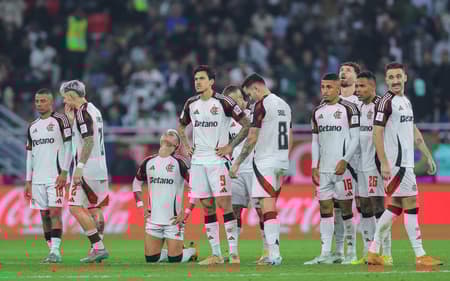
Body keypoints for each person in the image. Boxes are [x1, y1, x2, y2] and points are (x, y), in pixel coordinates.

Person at [368, 62, 443, 266]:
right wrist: (384, 163)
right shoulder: (386, 102)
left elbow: (413, 129)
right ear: (386, 80)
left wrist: (427, 155)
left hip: (406, 163)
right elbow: (377, 132)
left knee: (395, 207)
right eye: (391, 77)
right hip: (397, 164)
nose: (395, 80)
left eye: (398, 76)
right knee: (411, 204)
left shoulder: (405, 101)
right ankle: (420, 255)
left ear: (405, 78)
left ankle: (373, 250)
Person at [177, 65, 251, 265]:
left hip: (218, 160)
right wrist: (185, 145)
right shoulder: (191, 103)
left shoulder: (224, 102)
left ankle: (233, 254)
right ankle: (216, 254)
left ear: (211, 82)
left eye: (201, 78)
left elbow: (246, 124)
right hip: (198, 162)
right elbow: (182, 125)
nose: (197, 82)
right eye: (195, 79)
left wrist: (230, 146)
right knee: (207, 206)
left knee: (224, 204)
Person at [230, 73, 292, 266]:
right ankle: (271, 253)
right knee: (268, 208)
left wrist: (238, 162)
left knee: (267, 209)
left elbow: (252, 137)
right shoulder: (284, 104)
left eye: (250, 94)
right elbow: (289, 134)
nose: (250, 99)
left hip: (265, 162)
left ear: (256, 88)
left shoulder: (262, 105)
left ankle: (273, 255)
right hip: (281, 162)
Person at [304, 73, 360, 265]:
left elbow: (355, 138)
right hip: (325, 169)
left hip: (343, 168)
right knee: (325, 209)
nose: (325, 91)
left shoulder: (349, 108)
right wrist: (314, 165)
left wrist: (345, 160)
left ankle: (350, 251)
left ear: (338, 88)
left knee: (345, 209)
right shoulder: (317, 111)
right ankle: (327, 253)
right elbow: (315, 141)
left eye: (329, 87)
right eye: (322, 87)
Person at [60, 80, 109, 263]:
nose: (64, 101)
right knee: (94, 208)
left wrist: (79, 168)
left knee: (74, 206)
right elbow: (88, 135)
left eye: (65, 97)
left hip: (86, 166)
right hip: (100, 165)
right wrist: (72, 121)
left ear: (72, 95)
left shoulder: (81, 112)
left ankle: (98, 247)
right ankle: (96, 248)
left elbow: (87, 141)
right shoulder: (94, 110)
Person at [132, 129, 198, 263]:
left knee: (175, 260)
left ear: (177, 145)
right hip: (153, 220)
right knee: (151, 259)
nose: (168, 134)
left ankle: (190, 251)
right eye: (166, 133)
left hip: (173, 221)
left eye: (173, 134)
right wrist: (140, 206)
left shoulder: (180, 163)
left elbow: (196, 188)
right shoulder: (148, 161)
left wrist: (185, 214)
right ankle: (172, 249)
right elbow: (136, 184)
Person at [24, 88, 72, 263]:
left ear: (51, 102)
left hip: (55, 177)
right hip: (37, 180)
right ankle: (51, 251)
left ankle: (56, 251)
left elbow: (69, 147)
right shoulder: (32, 126)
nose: (39, 104)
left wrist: (65, 172)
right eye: (37, 101)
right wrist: (28, 180)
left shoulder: (61, 120)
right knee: (43, 215)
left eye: (43, 101)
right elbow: (30, 154)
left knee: (55, 212)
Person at [223, 85, 267, 263]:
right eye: (233, 100)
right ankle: (233, 252)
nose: (239, 102)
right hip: (235, 171)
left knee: (262, 211)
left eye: (240, 98)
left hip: (255, 169)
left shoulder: (255, 115)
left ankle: (267, 250)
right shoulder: (224, 120)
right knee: (233, 210)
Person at [352, 71, 391, 265]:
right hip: (361, 165)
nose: (358, 90)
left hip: (375, 164)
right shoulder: (358, 107)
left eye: (362, 86)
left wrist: (384, 161)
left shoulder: (381, 106)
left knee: (379, 207)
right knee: (364, 207)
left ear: (373, 87)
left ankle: (387, 253)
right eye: (356, 86)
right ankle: (369, 251)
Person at [331, 62, 361, 263]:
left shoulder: (362, 101)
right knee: (338, 207)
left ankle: (364, 248)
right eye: (342, 70)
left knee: (364, 206)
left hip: (360, 160)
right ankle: (340, 250)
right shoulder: (331, 102)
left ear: (357, 77)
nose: (343, 72)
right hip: (337, 161)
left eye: (348, 70)